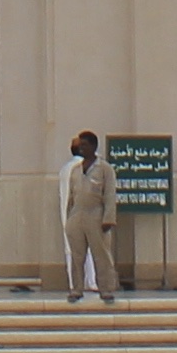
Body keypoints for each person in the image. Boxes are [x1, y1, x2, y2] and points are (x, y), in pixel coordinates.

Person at [56, 130, 120, 303]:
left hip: (96, 215)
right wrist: (69, 219)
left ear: (93, 146)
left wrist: (108, 219)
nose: (82, 149)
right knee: (77, 256)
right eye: (80, 146)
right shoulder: (75, 170)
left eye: (85, 145)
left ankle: (106, 289)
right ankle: (76, 289)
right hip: (77, 215)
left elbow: (109, 195)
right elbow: (71, 196)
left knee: (101, 255)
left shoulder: (105, 169)